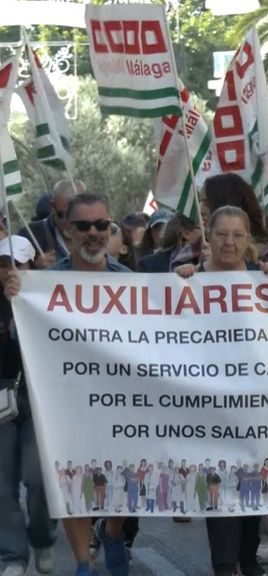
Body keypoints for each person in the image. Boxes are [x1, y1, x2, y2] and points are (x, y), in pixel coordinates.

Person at [5, 193, 132, 576]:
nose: (93, 233)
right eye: (83, 226)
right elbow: (19, 337)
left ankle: (112, 532)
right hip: (67, 406)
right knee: (71, 479)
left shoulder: (132, 282)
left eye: (101, 225)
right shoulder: (44, 284)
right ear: (66, 229)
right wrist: (16, 300)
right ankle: (83, 563)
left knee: (125, 483)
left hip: (123, 406)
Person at [174, 206, 268, 576]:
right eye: (221, 234)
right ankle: (223, 566)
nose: (229, 242)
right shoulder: (189, 281)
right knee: (217, 485)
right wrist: (182, 281)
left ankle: (248, 562)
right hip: (209, 409)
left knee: (250, 486)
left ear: (249, 240)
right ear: (209, 237)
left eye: (238, 235)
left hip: (256, 407)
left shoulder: (266, 281)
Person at [0, 231, 56, 576]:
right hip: (1, 398)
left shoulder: (48, 296)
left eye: (16, 263)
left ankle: (43, 539)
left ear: (31, 265)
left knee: (38, 478)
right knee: (2, 483)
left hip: (39, 397)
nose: (9, 270)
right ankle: (12, 555)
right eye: (3, 264)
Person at [19, 179, 84, 269]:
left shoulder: (102, 231)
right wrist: (35, 267)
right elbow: (14, 274)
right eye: (64, 215)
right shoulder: (31, 234)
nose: (71, 222)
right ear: (53, 206)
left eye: (78, 215)